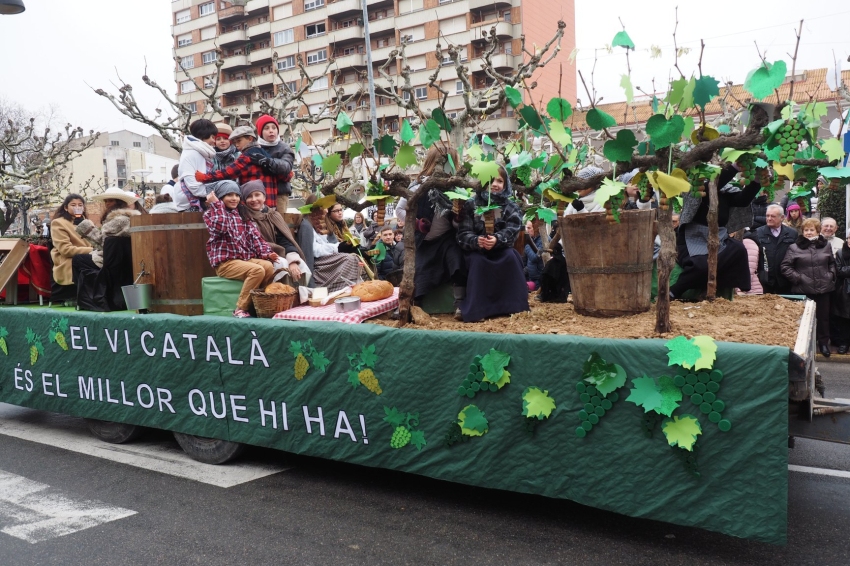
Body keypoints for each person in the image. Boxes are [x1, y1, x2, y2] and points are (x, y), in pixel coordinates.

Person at [669, 164, 761, 299]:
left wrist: (757, 180)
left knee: (738, 249)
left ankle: (722, 290)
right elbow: (713, 185)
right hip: (692, 238)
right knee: (701, 266)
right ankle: (674, 291)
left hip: (719, 236)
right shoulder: (697, 189)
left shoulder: (726, 192)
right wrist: (735, 167)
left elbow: (742, 200)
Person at [399, 144, 467, 312]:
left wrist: (458, 218)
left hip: (446, 240)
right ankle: (413, 305)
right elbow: (400, 210)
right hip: (423, 241)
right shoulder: (418, 187)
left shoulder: (456, 190)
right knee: (419, 270)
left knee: (456, 260)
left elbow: (457, 224)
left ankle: (460, 302)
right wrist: (416, 223)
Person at [456, 165, 528, 322]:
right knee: (477, 261)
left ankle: (512, 306)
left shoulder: (511, 206)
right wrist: (477, 241)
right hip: (478, 251)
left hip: (501, 249)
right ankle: (479, 309)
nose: (495, 184)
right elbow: (463, 233)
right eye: (490, 180)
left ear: (505, 184)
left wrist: (497, 239)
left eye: (500, 181)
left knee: (510, 257)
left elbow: (513, 229)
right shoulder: (471, 204)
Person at [204, 183, 279, 318]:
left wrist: (267, 253)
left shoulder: (242, 215)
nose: (234, 198)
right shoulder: (211, 214)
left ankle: (259, 305)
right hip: (226, 263)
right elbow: (221, 227)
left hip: (243, 259)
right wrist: (216, 205)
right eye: (229, 195)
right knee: (257, 270)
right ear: (220, 197)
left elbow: (255, 237)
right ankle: (240, 308)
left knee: (267, 266)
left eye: (237, 195)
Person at [72, 187, 141, 311]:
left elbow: (102, 243)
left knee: (77, 259)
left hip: (111, 262)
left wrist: (84, 225)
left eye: (110, 201)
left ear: (118, 202)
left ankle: (85, 299)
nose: (107, 204)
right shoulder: (131, 219)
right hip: (129, 261)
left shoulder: (118, 221)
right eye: (106, 201)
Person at [781, 218, 836, 357]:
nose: (809, 232)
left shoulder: (826, 246)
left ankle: (823, 344)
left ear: (817, 231)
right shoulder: (794, 247)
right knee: (803, 319)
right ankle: (802, 345)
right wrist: (798, 278)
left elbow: (832, 263)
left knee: (823, 318)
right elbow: (785, 266)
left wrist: (830, 275)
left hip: (824, 288)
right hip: (803, 289)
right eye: (806, 230)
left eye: (812, 230)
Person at [240, 180, 308, 287]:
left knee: (300, 264)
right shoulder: (243, 217)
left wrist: (292, 260)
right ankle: (279, 297)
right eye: (249, 196)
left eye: (257, 195)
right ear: (244, 200)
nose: (254, 199)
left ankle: (299, 297)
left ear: (264, 197)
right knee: (281, 263)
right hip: (258, 255)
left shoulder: (273, 215)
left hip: (277, 251)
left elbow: (283, 239)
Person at [195, 126, 280, 209]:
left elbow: (228, 172)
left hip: (254, 204)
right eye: (235, 142)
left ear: (250, 139)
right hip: (270, 202)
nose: (236, 144)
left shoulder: (248, 155)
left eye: (239, 141)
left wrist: (204, 177)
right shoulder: (265, 154)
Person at [294, 194, 362, 292]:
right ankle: (340, 289)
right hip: (319, 266)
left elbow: (333, 243)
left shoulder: (325, 223)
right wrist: (310, 284)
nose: (326, 211)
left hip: (329, 259)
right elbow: (311, 252)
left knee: (356, 259)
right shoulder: (306, 225)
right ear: (316, 209)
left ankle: (351, 288)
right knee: (350, 260)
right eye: (324, 208)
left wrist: (346, 246)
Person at [173, 118, 229, 212]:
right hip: (190, 203)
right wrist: (216, 192)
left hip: (196, 198)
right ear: (204, 135)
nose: (213, 141)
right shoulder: (192, 153)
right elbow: (193, 184)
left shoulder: (198, 152)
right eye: (212, 137)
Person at [49, 194, 93, 304]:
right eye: (73, 205)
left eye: (80, 205)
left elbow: (96, 242)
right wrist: (91, 251)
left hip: (90, 255)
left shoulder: (87, 222)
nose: (77, 207)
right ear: (65, 207)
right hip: (67, 258)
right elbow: (65, 250)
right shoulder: (59, 223)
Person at [753, 204, 797, 294]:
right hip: (766, 280)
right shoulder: (758, 233)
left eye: (773, 216)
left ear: (782, 217)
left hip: (785, 280)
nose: (769, 219)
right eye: (767, 216)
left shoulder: (792, 233)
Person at [255, 115, 296, 211]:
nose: (271, 130)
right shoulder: (254, 149)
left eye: (274, 128)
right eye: (266, 128)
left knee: (278, 222)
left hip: (279, 194)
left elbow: (285, 167)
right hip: (258, 194)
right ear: (260, 132)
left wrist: (267, 162)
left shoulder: (285, 148)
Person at [831, 238, 850, 354]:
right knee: (844, 318)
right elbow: (839, 271)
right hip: (844, 289)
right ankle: (844, 343)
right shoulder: (840, 253)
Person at [524, 220, 544, 291]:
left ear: (535, 228)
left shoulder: (543, 240)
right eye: (526, 228)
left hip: (540, 279)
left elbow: (534, 258)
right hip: (531, 278)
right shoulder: (532, 239)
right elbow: (526, 260)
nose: (527, 230)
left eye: (529, 228)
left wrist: (527, 244)